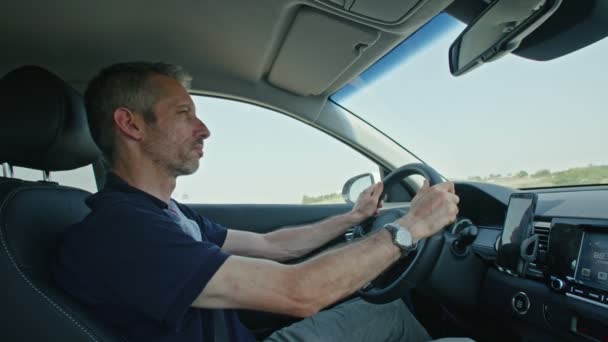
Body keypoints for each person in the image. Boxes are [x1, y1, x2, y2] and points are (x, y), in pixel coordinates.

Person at [52, 62, 467, 342]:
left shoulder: (161, 213)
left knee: (387, 312)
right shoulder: (124, 232)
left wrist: (353, 218)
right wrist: (409, 229)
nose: (204, 129)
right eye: (184, 113)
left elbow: (274, 245)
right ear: (131, 124)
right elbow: (298, 293)